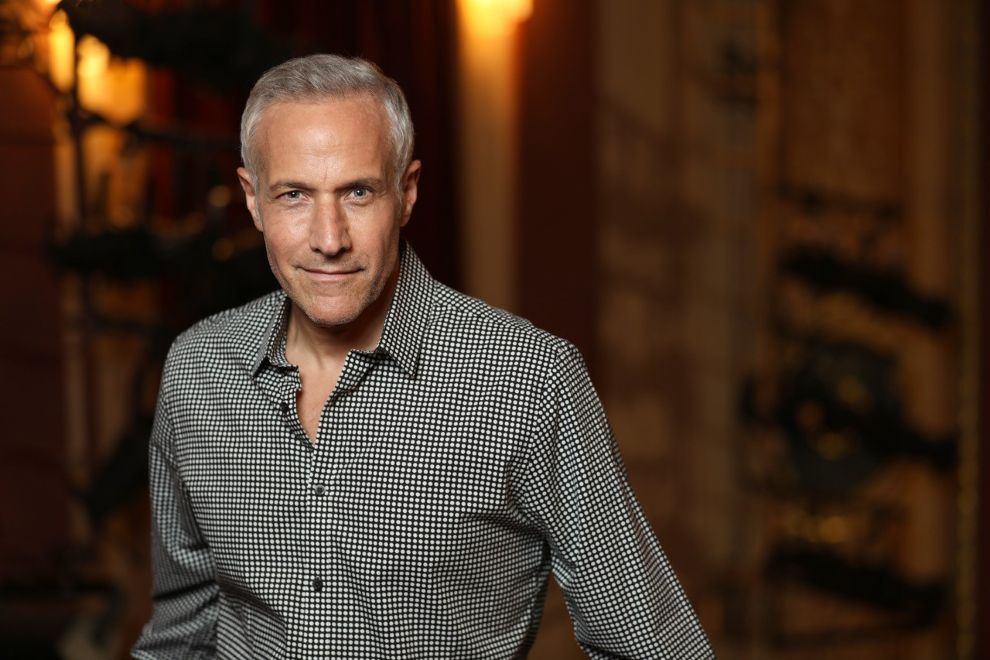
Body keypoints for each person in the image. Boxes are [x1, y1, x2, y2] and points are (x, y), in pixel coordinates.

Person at [133, 53, 714, 659]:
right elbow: (181, 634)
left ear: (406, 193)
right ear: (253, 200)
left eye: (359, 192)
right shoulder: (198, 370)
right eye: (295, 195)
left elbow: (654, 646)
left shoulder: (530, 379)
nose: (329, 239)